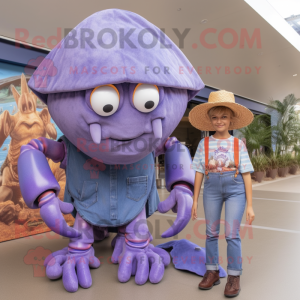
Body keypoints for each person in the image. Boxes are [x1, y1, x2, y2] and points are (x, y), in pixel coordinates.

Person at [188, 90, 255, 298]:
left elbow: (246, 174)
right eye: (215, 117)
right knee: (210, 233)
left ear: (231, 119)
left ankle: (234, 276)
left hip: (236, 190)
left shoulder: (238, 144)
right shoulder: (204, 144)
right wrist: (195, 200)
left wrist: (250, 205)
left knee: (232, 234)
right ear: (210, 120)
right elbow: (199, 171)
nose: (219, 121)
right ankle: (212, 271)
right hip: (211, 189)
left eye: (223, 117)